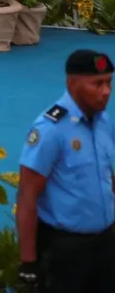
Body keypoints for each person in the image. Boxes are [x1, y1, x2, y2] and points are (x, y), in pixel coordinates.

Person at [17, 48, 115, 292]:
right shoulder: (50, 129)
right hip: (66, 250)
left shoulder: (104, 122)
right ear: (72, 84)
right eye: (97, 84)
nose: (106, 91)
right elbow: (27, 195)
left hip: (106, 244)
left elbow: (109, 176)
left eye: (109, 82)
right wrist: (28, 262)